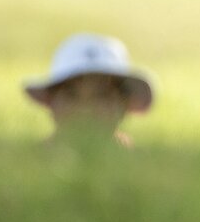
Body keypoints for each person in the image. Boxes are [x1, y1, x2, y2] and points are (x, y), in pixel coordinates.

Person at [23, 33, 154, 147]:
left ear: (124, 103)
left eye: (101, 96)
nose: (85, 109)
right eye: (71, 95)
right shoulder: (32, 162)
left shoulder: (138, 164)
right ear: (52, 101)